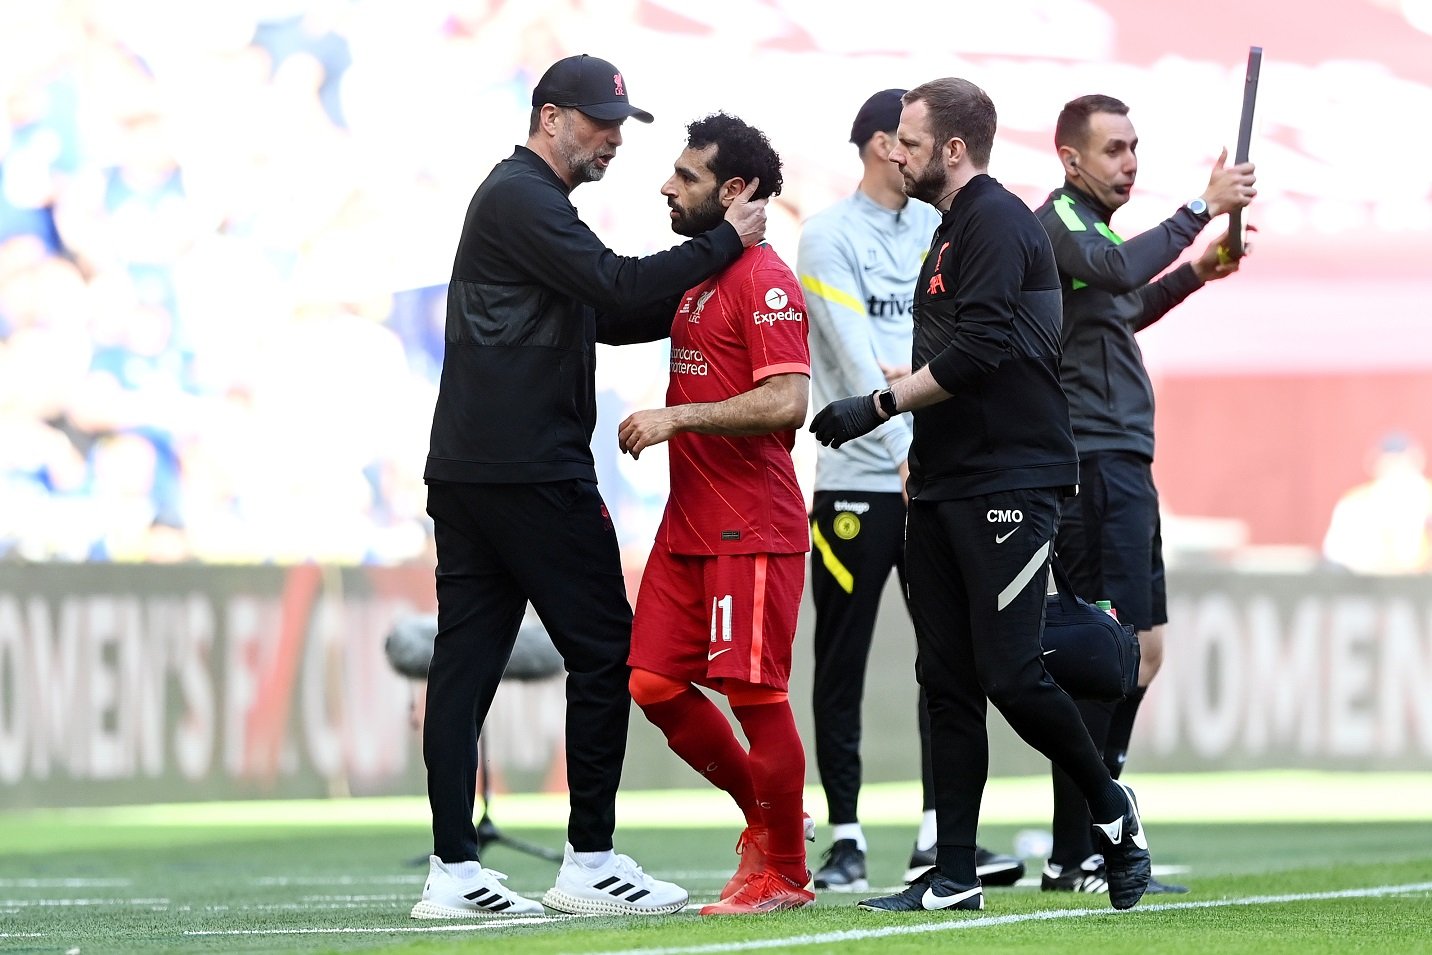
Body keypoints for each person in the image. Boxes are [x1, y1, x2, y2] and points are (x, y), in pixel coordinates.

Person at [412, 53, 769, 920]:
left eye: (619, 123)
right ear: (549, 119)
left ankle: (454, 870)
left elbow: (610, 313)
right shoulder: (522, 198)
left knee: (465, 665)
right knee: (606, 650)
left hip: (472, 467)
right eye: (600, 121)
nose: (613, 138)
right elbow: (615, 285)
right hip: (531, 469)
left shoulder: (526, 205)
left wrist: (704, 284)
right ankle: (589, 860)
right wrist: (727, 242)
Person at [809, 77, 1152, 914]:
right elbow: (959, 351)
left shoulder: (995, 219)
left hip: (1012, 477)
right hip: (943, 479)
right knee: (947, 679)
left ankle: (1113, 811)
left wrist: (880, 403)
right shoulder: (951, 227)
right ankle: (952, 873)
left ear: (953, 150)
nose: (898, 152)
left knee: (1011, 670)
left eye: (912, 141)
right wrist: (910, 390)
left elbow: (986, 349)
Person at [797, 88, 1023, 893]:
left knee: (949, 658)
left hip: (933, 475)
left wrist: (925, 451)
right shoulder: (824, 236)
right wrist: (900, 446)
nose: (911, 154)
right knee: (841, 659)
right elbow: (854, 360)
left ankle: (940, 835)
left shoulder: (943, 228)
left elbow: (967, 346)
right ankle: (847, 836)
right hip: (860, 477)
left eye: (919, 141)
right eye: (903, 141)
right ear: (874, 145)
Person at [1032, 93, 1256, 897]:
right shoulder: (1059, 226)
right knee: (1102, 654)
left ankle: (1098, 825)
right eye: (1116, 149)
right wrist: (1201, 208)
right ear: (1071, 158)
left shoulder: (1094, 237)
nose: (1130, 162)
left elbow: (1124, 306)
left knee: (1141, 653)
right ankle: (1082, 845)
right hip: (1089, 461)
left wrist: (1196, 272)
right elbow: (1123, 273)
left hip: (1123, 458)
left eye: (1135, 148)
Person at [618, 112, 815, 916]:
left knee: (755, 696)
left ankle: (789, 872)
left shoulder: (765, 280)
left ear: (735, 192)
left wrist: (679, 418)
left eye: (687, 175)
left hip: (750, 522)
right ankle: (766, 822)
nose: (668, 184)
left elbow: (789, 400)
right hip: (690, 520)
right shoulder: (700, 273)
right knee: (654, 683)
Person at [1323, 431, 1432, 574]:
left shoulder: (1427, 498)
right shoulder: (1356, 502)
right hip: (1369, 585)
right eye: (1389, 462)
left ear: (1417, 461)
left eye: (1402, 461)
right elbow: (1336, 552)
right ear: (1375, 464)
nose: (1396, 469)